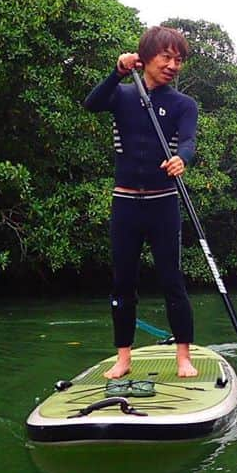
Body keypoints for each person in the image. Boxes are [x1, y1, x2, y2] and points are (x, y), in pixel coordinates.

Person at [83, 25, 199, 379]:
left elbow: (189, 141)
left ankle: (183, 357)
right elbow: (91, 104)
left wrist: (182, 159)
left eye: (178, 60)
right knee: (122, 282)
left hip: (163, 204)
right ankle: (123, 357)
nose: (173, 65)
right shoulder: (122, 94)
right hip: (126, 204)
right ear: (145, 57)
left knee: (171, 281)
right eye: (166, 57)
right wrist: (116, 72)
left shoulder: (183, 104)